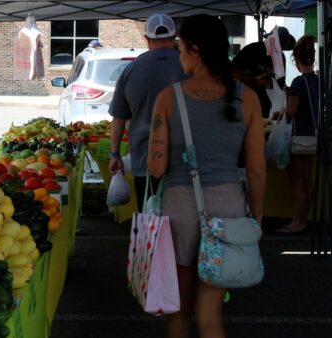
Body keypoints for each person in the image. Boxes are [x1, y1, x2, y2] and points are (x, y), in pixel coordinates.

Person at [147, 15, 265, 338]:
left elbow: (156, 169)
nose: (179, 55)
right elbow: (256, 168)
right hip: (229, 209)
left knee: (179, 314)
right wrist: (256, 215)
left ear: (195, 50)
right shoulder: (249, 98)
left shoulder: (169, 98)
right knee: (210, 316)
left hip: (181, 209)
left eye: (181, 48)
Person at [109, 13, 186, 212]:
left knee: (149, 216)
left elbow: (118, 118)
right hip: (184, 157)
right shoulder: (188, 66)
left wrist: (114, 154)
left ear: (146, 38)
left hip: (145, 157)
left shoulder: (131, 70)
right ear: (175, 35)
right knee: (182, 216)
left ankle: (150, 243)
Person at [276, 35, 319, 234]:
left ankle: (298, 222)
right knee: (307, 180)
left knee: (299, 181)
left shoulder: (299, 82)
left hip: (300, 135)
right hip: (313, 134)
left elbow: (291, 112)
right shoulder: (318, 80)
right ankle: (302, 220)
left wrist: (281, 111)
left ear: (296, 58)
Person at [232, 26, 296, 118]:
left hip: (267, 110)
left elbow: (279, 85)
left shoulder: (281, 59)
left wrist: (272, 84)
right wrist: (253, 80)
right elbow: (232, 72)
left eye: (281, 48)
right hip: (245, 105)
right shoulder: (251, 50)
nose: (279, 51)